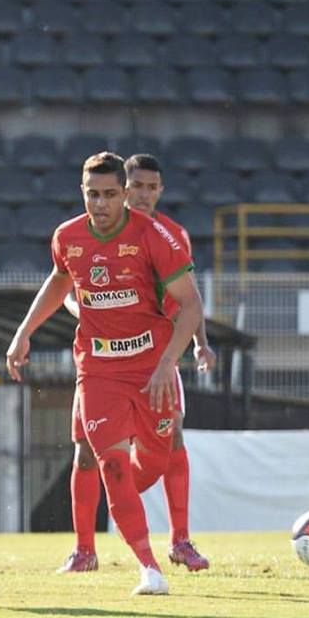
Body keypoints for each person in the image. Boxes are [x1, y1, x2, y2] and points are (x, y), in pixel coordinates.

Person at [6, 152, 203, 596]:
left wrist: (168, 363)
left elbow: (191, 305)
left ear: (125, 194)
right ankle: (148, 567)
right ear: (82, 193)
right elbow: (60, 280)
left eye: (110, 194)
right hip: (97, 369)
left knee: (154, 460)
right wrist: (24, 332)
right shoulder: (67, 236)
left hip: (152, 369)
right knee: (108, 462)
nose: (101, 204)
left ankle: (171, 536)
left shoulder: (156, 237)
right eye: (92, 194)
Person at [58, 153, 215, 575]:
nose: (143, 194)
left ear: (160, 191)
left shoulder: (168, 234)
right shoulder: (86, 233)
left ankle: (179, 540)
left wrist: (199, 344)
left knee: (172, 439)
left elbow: (189, 298)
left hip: (157, 357)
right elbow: (69, 284)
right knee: (88, 453)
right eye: (137, 186)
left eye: (152, 187)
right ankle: (84, 549)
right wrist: (85, 310)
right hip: (99, 360)